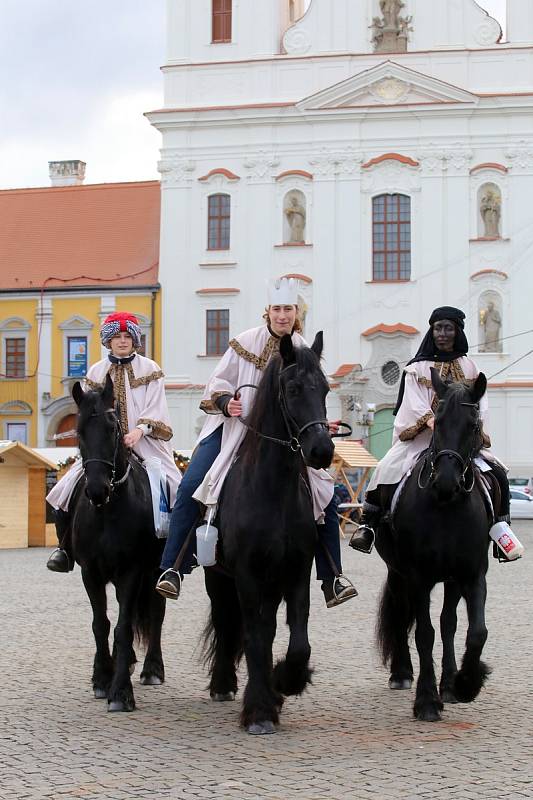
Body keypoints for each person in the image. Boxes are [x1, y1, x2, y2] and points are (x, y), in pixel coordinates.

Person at [156, 278, 358, 608]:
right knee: (194, 483)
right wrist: (225, 403)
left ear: (297, 312)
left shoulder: (304, 349)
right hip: (233, 429)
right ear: (268, 312)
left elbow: (308, 394)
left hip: (283, 438)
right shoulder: (244, 341)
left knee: (324, 492)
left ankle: (332, 576)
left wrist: (317, 424)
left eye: (288, 309)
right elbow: (217, 384)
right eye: (277, 309)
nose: (282, 316)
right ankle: (173, 567)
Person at [350, 306, 514, 556]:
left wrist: (473, 427)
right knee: (385, 468)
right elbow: (412, 401)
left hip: (459, 443)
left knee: (499, 472)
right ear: (432, 331)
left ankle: (502, 532)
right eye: (438, 328)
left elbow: (480, 401)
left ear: (457, 331)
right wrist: (430, 420)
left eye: (448, 328)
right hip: (423, 439)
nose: (443, 333)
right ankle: (368, 525)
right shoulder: (417, 367)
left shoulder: (469, 366)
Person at [46, 312, 181, 572]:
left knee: (176, 488)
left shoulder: (150, 369)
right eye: (117, 337)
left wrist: (139, 431)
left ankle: (173, 555)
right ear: (108, 341)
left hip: (146, 442)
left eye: (127, 336)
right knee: (63, 490)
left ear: (134, 340)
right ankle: (64, 548)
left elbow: (157, 408)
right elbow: (89, 410)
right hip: (104, 447)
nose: (122, 341)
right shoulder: (96, 371)